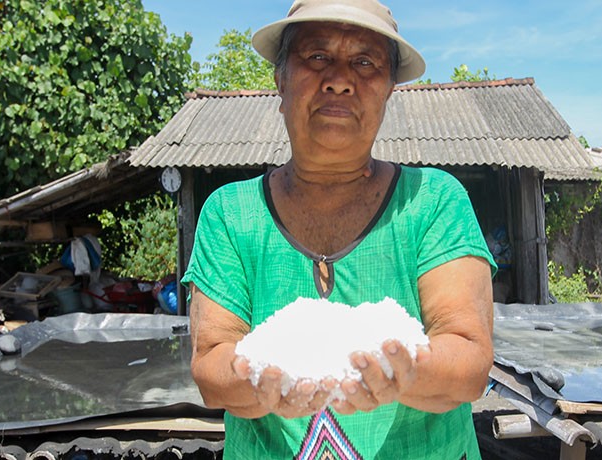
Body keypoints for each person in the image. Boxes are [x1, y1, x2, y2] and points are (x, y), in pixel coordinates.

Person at [183, 0, 497, 458]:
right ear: (281, 80)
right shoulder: (230, 214)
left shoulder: (432, 202)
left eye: (365, 62)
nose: (339, 79)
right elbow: (212, 367)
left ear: (389, 89)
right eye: (317, 56)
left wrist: (405, 370)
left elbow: (469, 362)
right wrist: (258, 377)